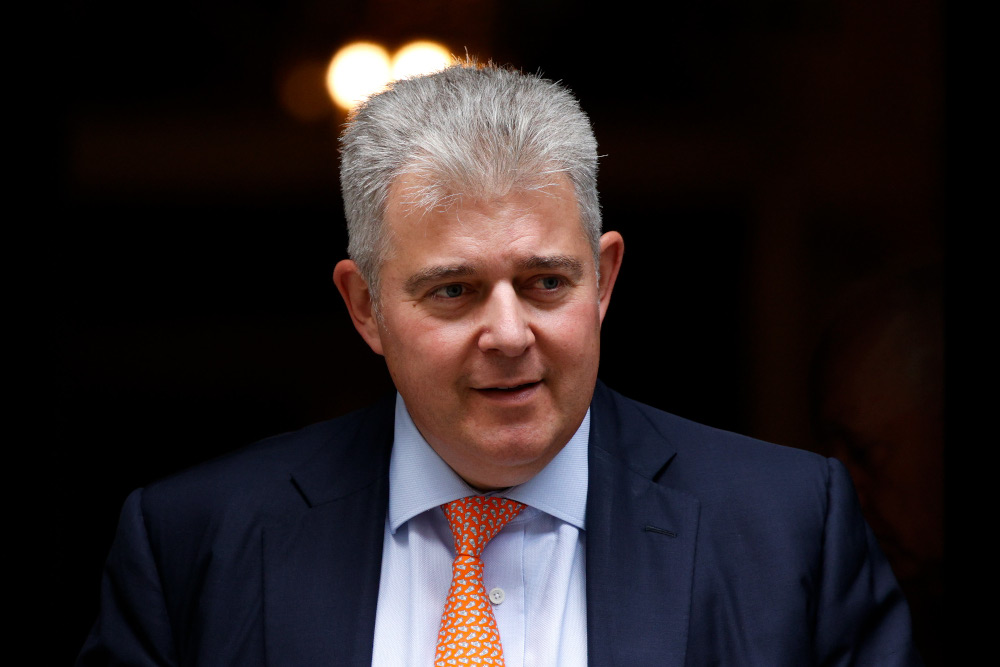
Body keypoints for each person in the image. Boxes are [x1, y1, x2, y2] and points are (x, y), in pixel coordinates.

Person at [78, 63, 921, 666]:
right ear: (365, 306)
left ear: (606, 278)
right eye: (454, 291)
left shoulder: (788, 530)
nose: (510, 332)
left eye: (547, 281)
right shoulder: (194, 543)